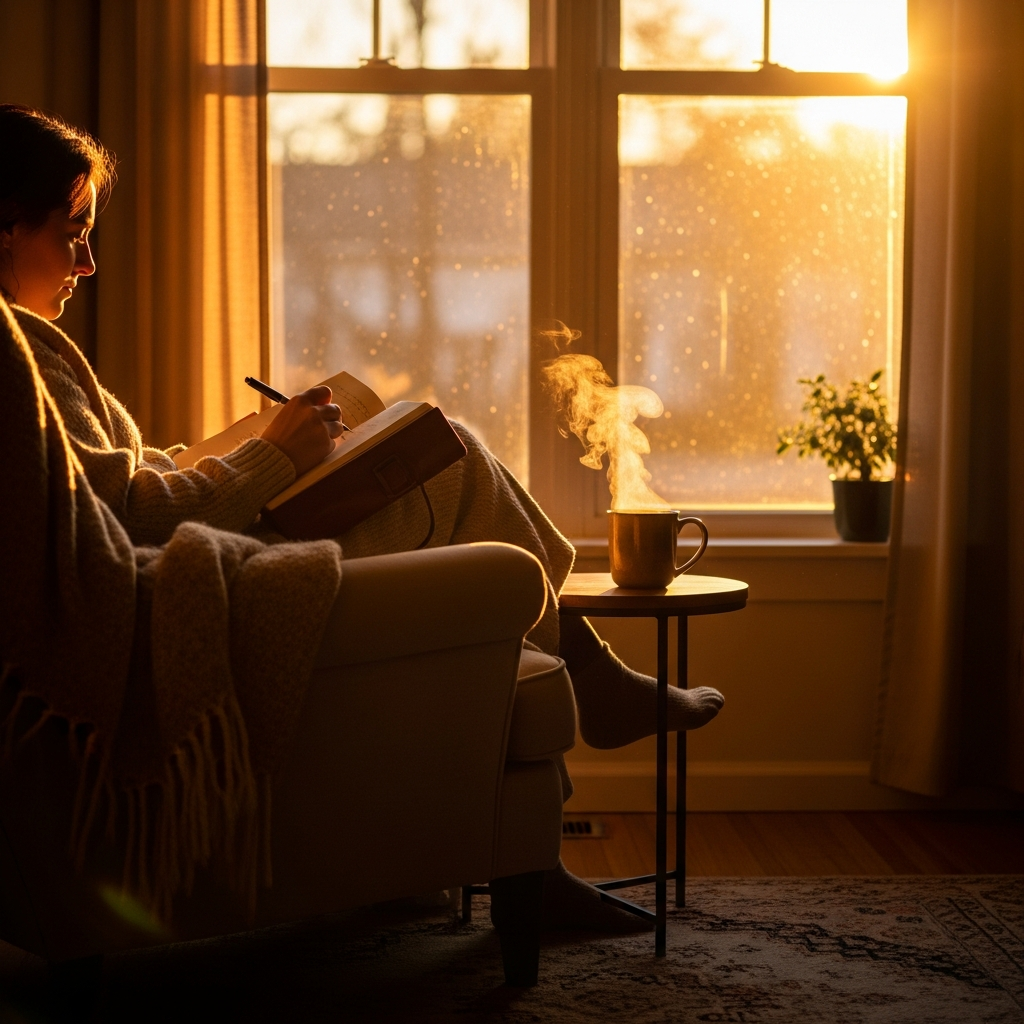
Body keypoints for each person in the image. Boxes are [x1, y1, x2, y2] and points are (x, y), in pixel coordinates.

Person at [0, 104, 724, 930]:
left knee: (412, 447)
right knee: (444, 466)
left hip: (166, 560)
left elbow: (102, 489)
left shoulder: (23, 349)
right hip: (159, 590)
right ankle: (591, 703)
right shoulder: (15, 350)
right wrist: (274, 456)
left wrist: (238, 447)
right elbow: (129, 522)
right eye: (74, 230)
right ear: (6, 225)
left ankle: (572, 757)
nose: (87, 263)